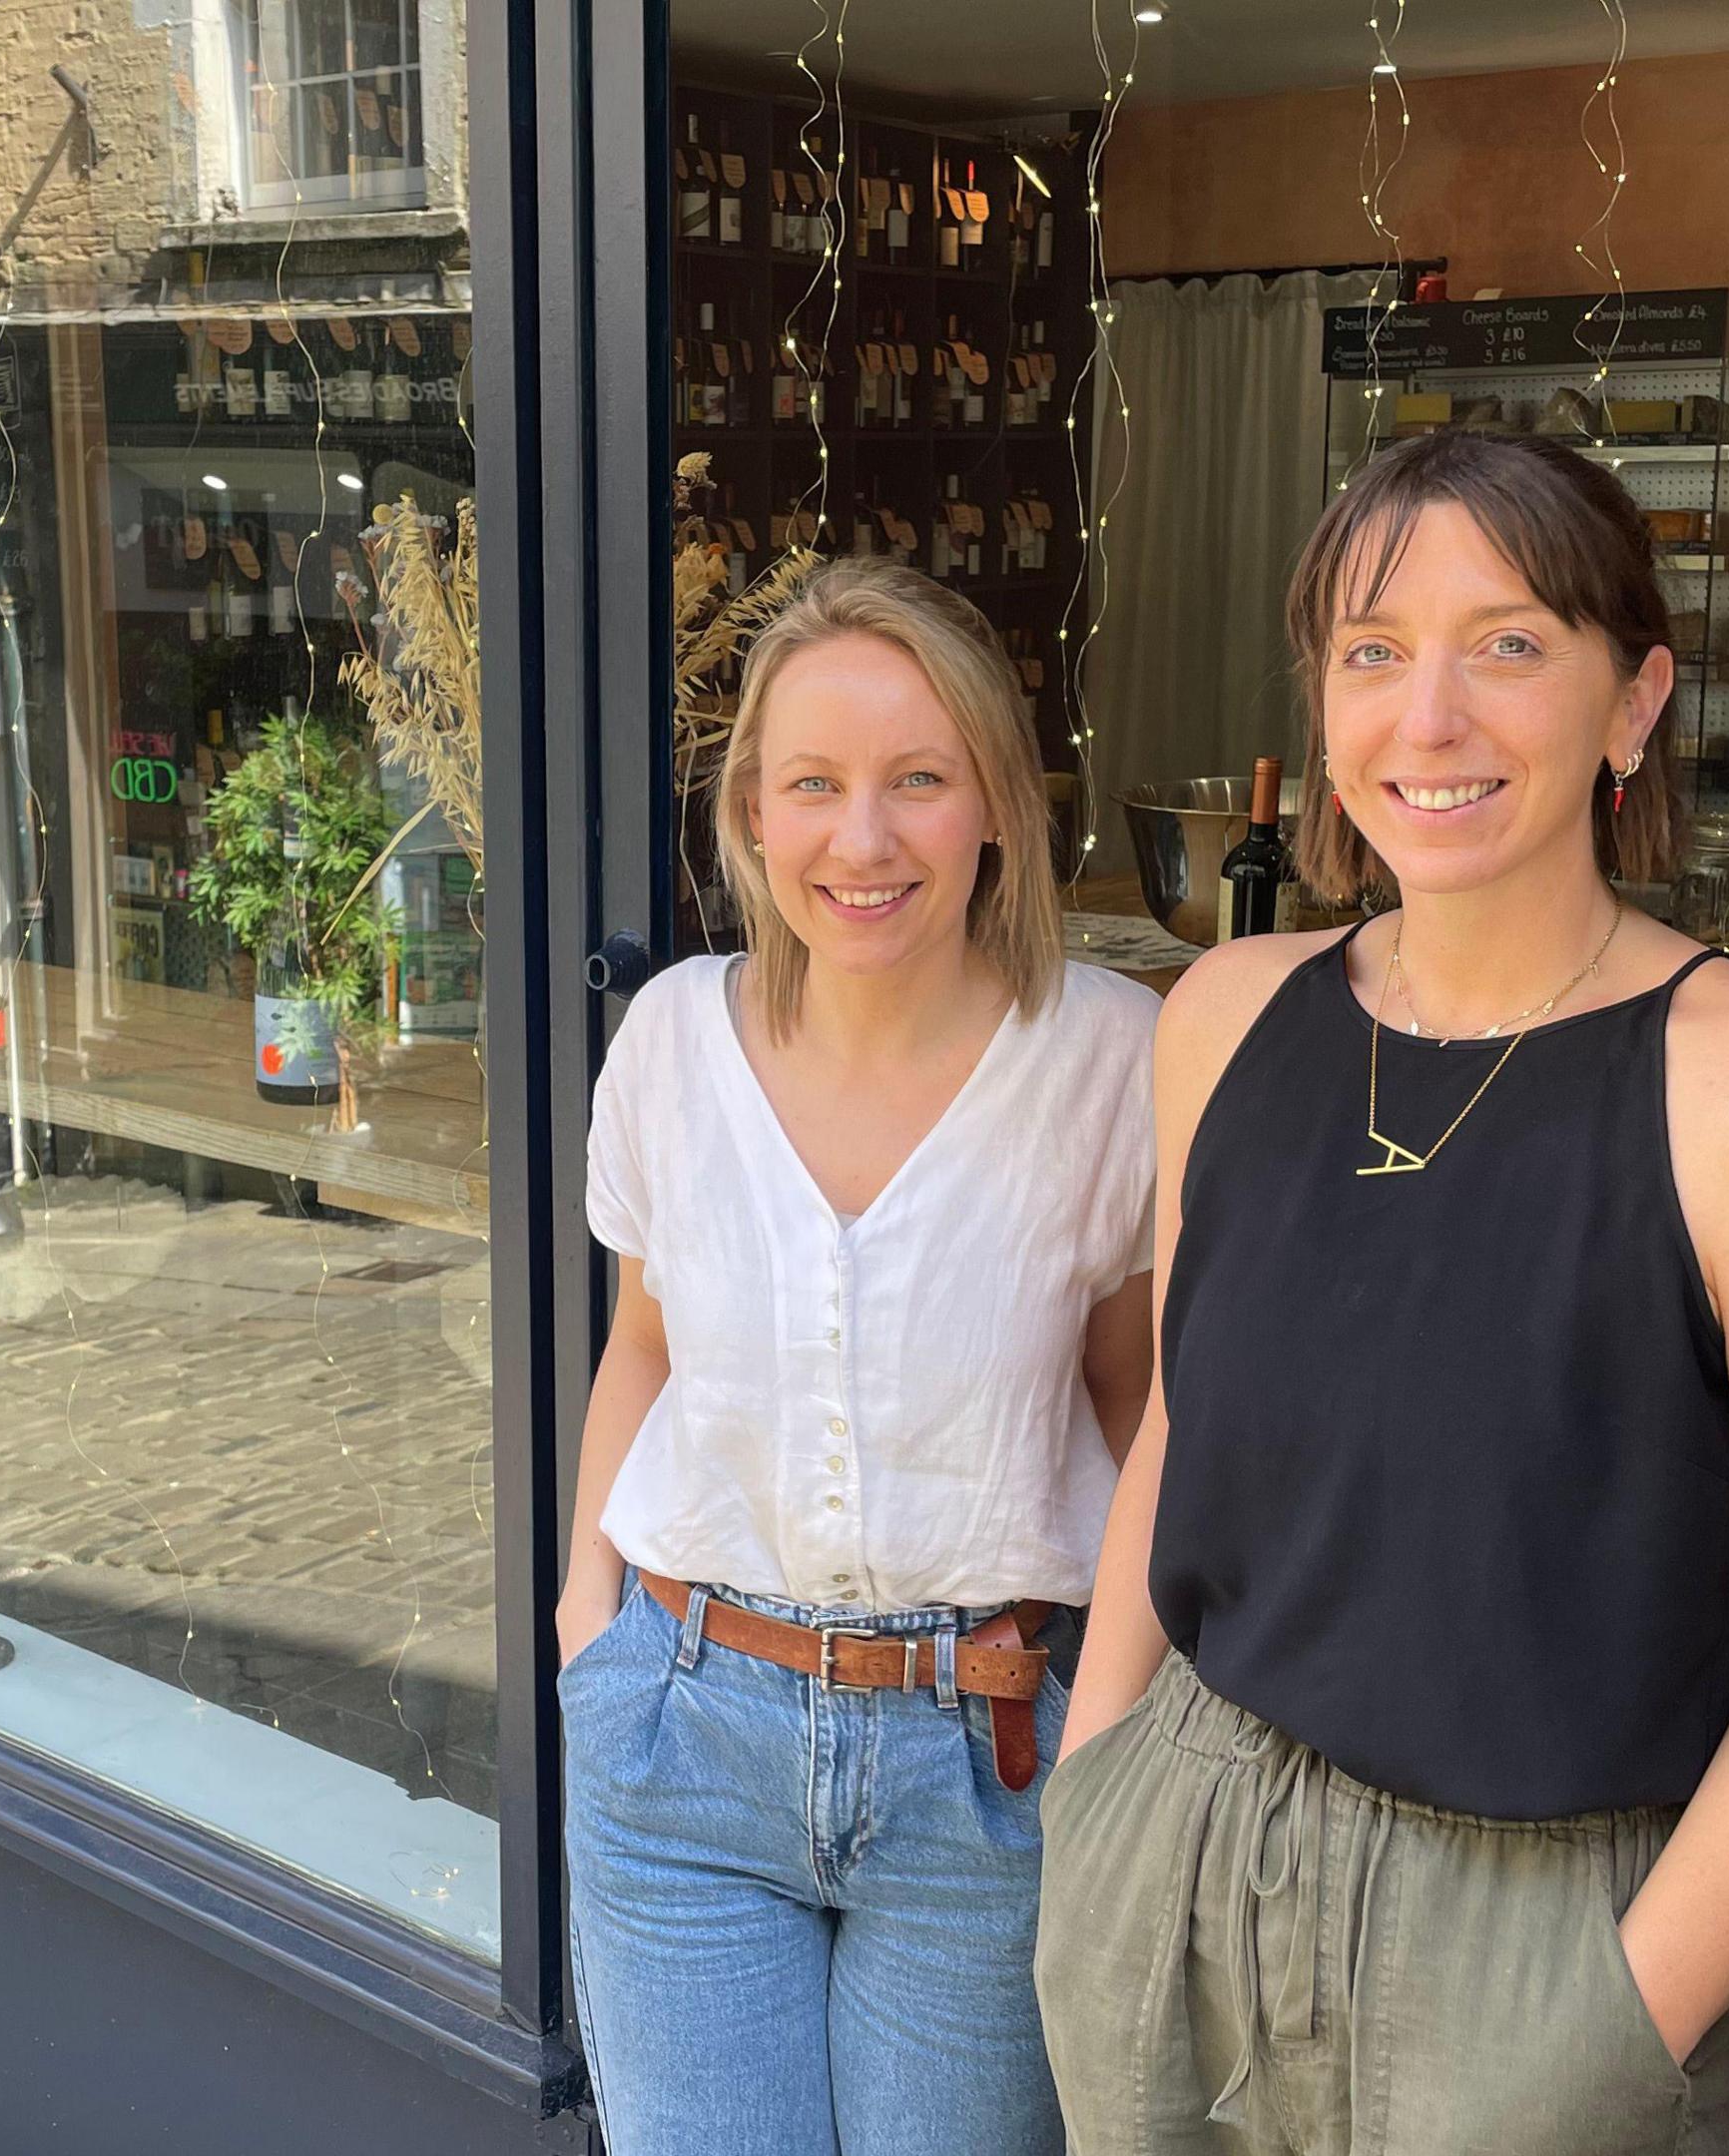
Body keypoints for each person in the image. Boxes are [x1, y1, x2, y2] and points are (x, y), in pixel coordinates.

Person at [1034, 429, 1729, 2154]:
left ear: (1635, 702)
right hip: (1179, 1845)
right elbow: (1183, 1416)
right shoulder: (1225, 1015)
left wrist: (1609, 2026)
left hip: (1534, 1928)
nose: (1430, 718)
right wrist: (1098, 1789)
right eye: (1373, 653)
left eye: (1512, 643)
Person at [556, 558, 1161, 2155]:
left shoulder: (1109, 1060)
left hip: (991, 1754)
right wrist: (580, 1616)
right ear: (754, 813)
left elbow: (1138, 1400)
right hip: (687, 1725)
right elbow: (642, 1350)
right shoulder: (675, 1040)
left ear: (999, 809)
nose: (865, 839)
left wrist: (1119, 1701)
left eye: (919, 780)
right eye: (814, 784)